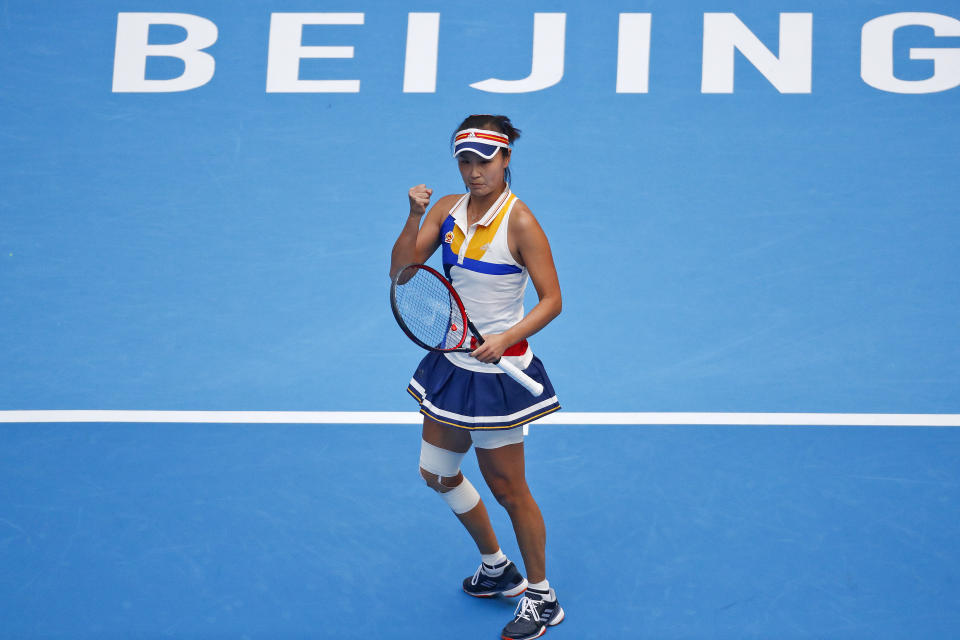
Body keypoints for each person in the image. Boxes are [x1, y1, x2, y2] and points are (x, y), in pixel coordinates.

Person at [390, 114, 565, 640]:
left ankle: (542, 596)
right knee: (437, 472)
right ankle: (497, 567)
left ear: (506, 158)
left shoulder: (521, 223)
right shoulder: (445, 210)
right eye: (464, 161)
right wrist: (412, 216)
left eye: (484, 161)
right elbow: (402, 272)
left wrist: (505, 335)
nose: (473, 172)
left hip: (498, 375)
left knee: (510, 489)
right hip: (454, 363)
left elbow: (553, 301)